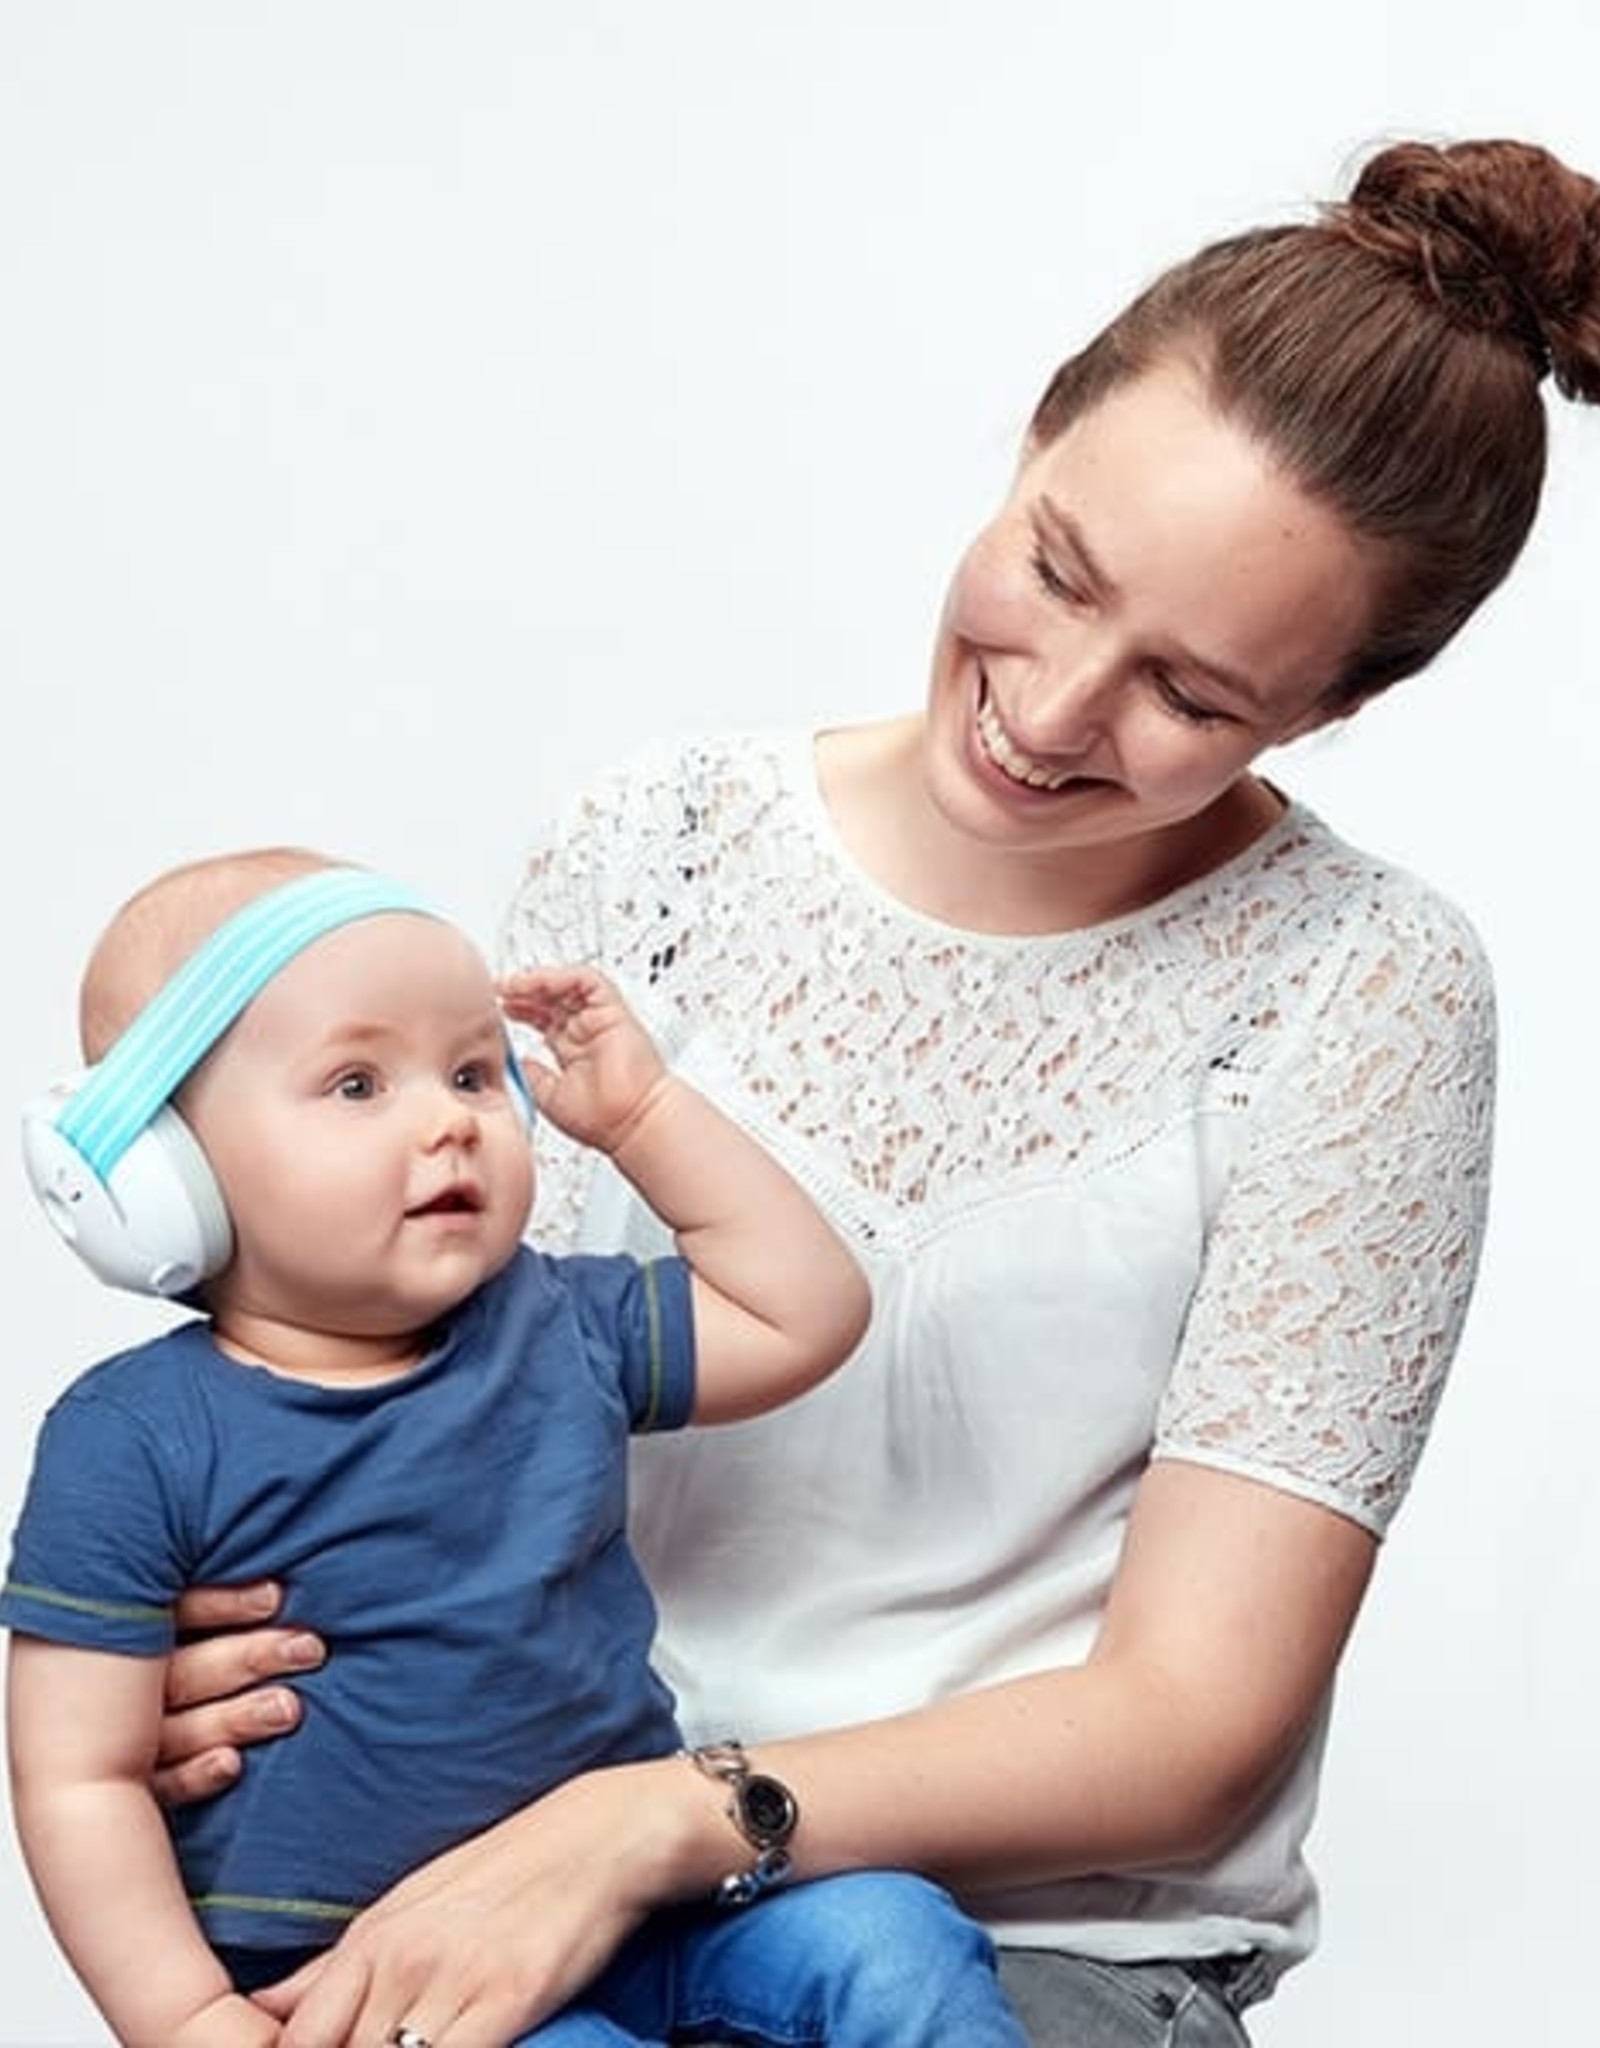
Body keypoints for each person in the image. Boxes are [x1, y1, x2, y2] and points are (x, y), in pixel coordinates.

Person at [150, 133, 1600, 2048]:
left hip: (1029, 1951)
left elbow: (1191, 1721)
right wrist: (225, 1645)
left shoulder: (1362, 988)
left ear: (1333, 707)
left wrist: (657, 1823)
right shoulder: (651, 839)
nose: (1057, 707)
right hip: (516, 1867)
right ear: (1033, 433)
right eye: (1058, 572)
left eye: (1192, 692)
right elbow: (441, 1378)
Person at [4, 848, 1034, 2048]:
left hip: (651, 1909)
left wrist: (645, 1118)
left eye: (473, 1071)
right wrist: (185, 2017)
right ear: (166, 1168)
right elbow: (80, 1777)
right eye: (355, 1082)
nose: (450, 1118)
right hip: (367, 1977)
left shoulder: (565, 1324)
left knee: (894, 1942)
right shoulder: (129, 1436)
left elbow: (805, 1311)